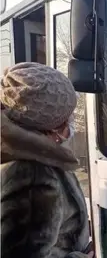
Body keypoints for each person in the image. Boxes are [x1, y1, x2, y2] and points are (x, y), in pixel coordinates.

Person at [0, 62, 93, 258]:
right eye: (67, 119)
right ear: (50, 127)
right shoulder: (31, 175)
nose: (71, 125)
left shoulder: (32, 157)